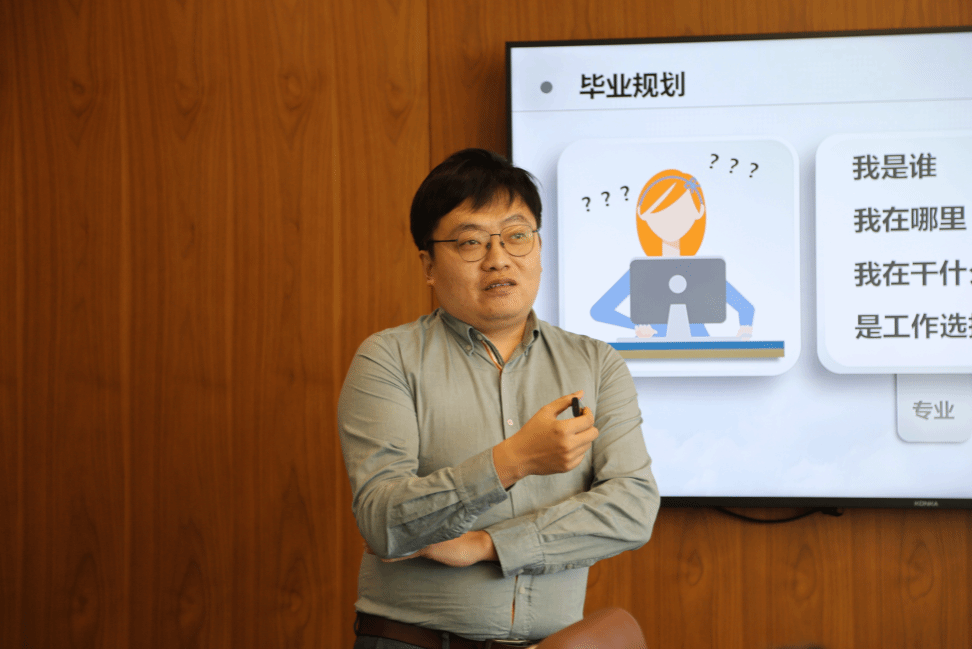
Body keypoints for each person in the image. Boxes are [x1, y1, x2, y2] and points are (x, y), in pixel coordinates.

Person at [338, 148, 659, 649]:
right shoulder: (388, 359)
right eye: (471, 241)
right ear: (428, 264)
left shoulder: (596, 363)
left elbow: (632, 508)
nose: (499, 258)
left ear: (538, 246)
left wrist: (488, 545)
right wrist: (513, 461)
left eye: (516, 235)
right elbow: (383, 522)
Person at [590, 169, 754, 339]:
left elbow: (745, 307)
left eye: (681, 211)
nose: (670, 220)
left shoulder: (702, 270)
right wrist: (637, 326)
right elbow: (600, 310)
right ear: (643, 214)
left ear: (698, 211)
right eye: (659, 212)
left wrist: (745, 329)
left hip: (699, 344)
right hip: (656, 344)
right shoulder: (642, 271)